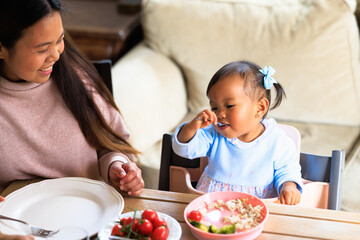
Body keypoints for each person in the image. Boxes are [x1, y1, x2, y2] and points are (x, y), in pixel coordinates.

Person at [0, 1, 144, 238]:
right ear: (2, 48)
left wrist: (117, 167)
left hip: (93, 223)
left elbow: (109, 146)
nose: (56, 54)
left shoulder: (75, 76)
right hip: (16, 230)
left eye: (60, 39)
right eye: (41, 48)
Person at [173, 60, 303, 205]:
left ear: (260, 108)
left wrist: (289, 186)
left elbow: (287, 170)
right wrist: (191, 127)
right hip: (213, 208)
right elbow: (184, 150)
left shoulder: (278, 141)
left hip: (256, 210)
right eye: (214, 107)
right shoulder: (213, 134)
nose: (220, 114)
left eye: (229, 106)